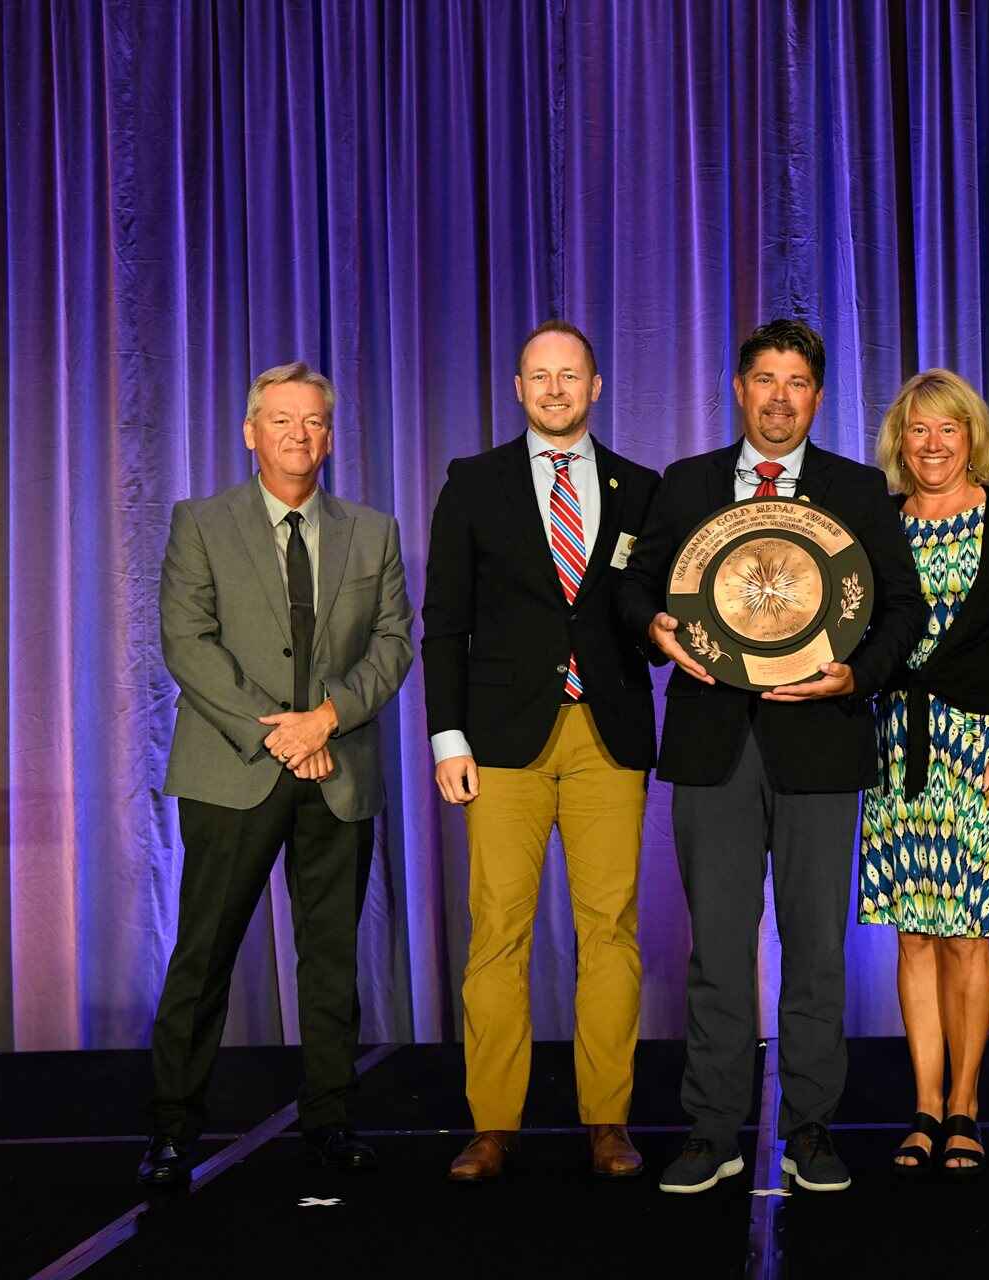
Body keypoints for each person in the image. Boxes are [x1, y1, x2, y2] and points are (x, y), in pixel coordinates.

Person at [618, 318, 927, 1194]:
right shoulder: (685, 485)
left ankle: (812, 1130)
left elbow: (901, 609)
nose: (781, 398)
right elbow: (635, 583)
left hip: (821, 746)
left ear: (818, 398)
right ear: (740, 388)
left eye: (797, 383)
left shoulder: (857, 490)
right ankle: (710, 1130)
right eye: (765, 379)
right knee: (715, 948)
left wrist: (852, 678)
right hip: (713, 746)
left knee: (816, 949)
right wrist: (653, 624)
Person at [141, 362, 415, 1186]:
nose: (301, 436)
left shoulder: (374, 530)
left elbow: (395, 642)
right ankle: (172, 1131)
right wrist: (284, 737)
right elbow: (188, 643)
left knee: (331, 961)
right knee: (204, 954)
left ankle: (330, 1124)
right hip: (235, 771)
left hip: (340, 771)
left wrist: (328, 719)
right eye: (284, 421)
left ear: (331, 436)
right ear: (251, 431)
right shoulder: (201, 522)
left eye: (315, 423)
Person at [421, 320, 662, 1182]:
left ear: (596, 387)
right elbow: (444, 621)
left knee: (611, 934)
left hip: (609, 735)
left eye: (571, 376)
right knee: (498, 936)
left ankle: (609, 1121)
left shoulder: (643, 486)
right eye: (539, 376)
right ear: (518, 389)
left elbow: (652, 605)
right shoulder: (474, 483)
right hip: (502, 744)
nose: (555, 389)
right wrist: (447, 737)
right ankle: (494, 1126)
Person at [858, 369, 989, 1178]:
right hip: (897, 749)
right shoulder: (879, 522)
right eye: (917, 430)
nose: (933, 444)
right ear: (898, 444)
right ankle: (925, 1107)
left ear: (973, 437)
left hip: (984, 753)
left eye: (948, 428)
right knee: (914, 936)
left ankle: (968, 1107)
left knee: (968, 938)